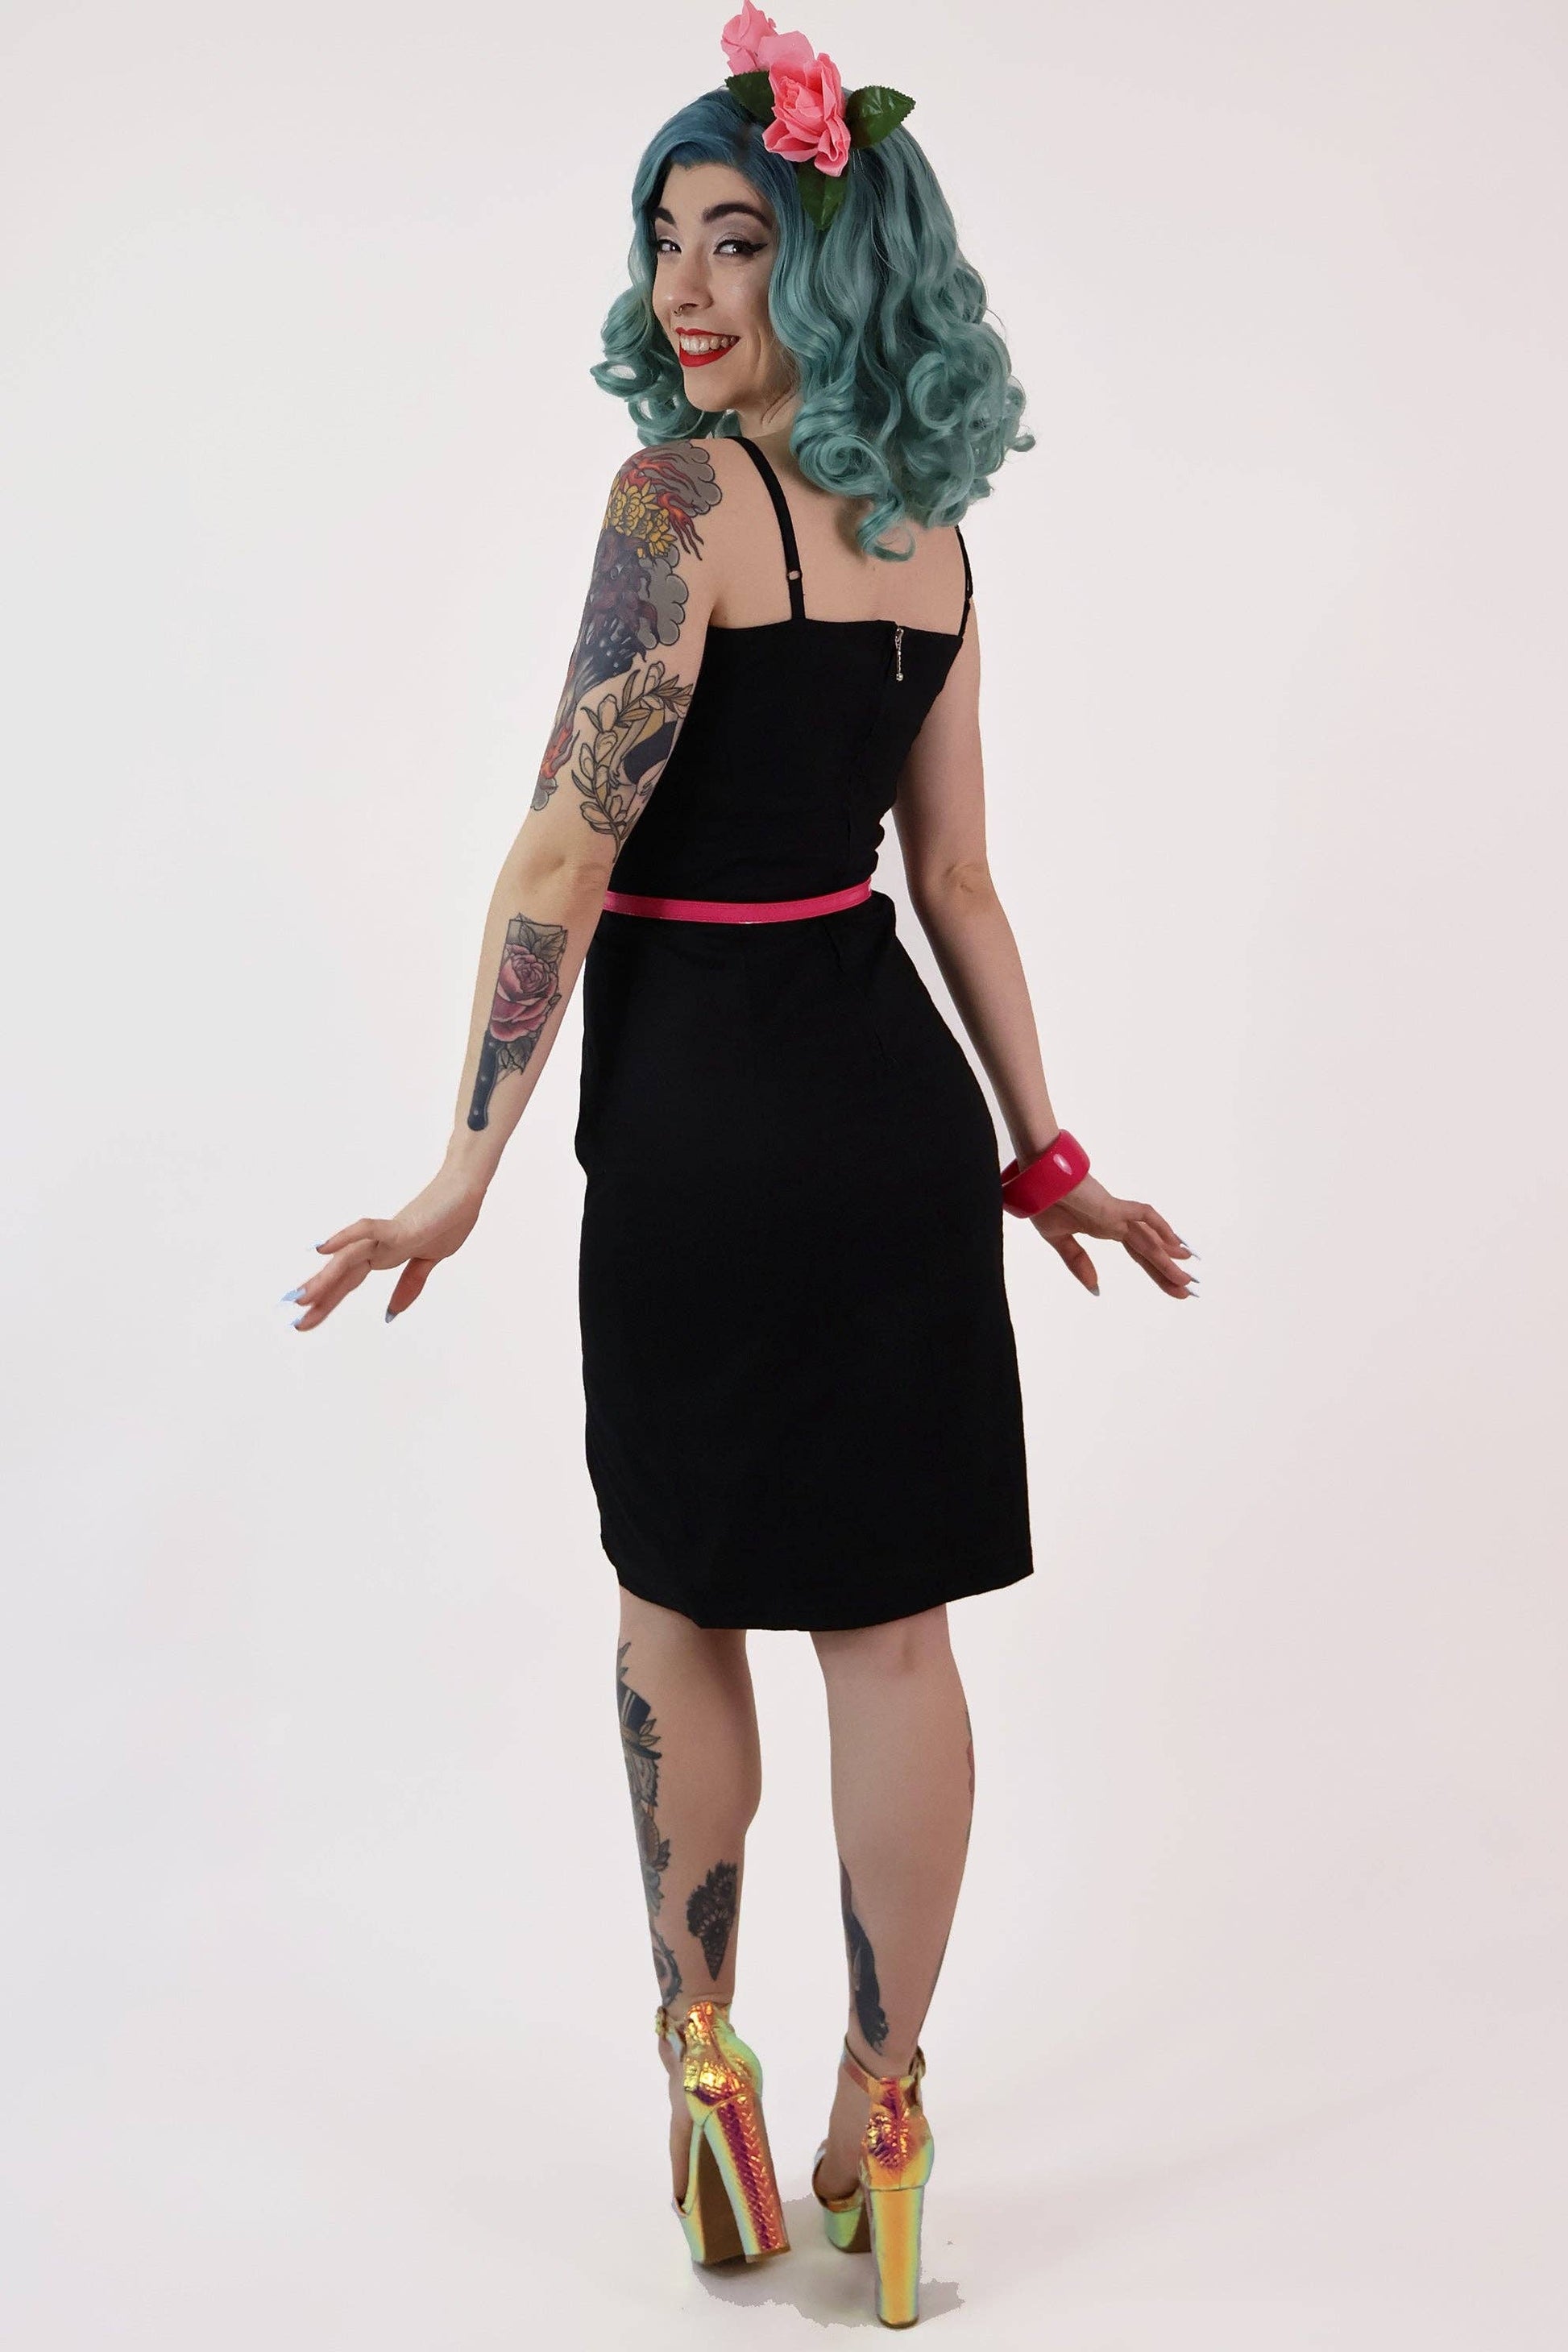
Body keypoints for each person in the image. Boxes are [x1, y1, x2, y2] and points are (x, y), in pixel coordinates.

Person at [284, 10, 1194, 2328]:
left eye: (741, 242)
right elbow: (955, 883)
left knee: (679, 1600)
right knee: (891, 1632)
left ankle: (703, 2063)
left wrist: (462, 1163)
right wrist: (1041, 1158)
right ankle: (888, 2112)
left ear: (838, 265)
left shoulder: (678, 507)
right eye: (666, 240)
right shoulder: (931, 537)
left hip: (699, 1117)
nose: (683, 291)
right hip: (888, 1116)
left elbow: (563, 851)